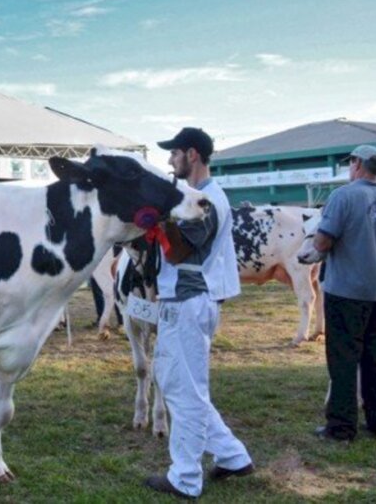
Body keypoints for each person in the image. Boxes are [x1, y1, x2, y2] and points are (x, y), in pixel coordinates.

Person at [146, 127, 253, 499]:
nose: (170, 160)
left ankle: (185, 477)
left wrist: (160, 221)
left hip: (188, 300)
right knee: (185, 385)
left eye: (174, 153)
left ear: (192, 154)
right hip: (191, 298)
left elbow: (179, 253)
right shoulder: (207, 196)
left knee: (181, 391)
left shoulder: (203, 201)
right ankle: (233, 456)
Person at [312, 144, 376, 441]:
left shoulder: (343, 196)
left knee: (344, 358)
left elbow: (322, 243)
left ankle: (342, 426)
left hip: (346, 291)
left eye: (351, 163)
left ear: (357, 164)